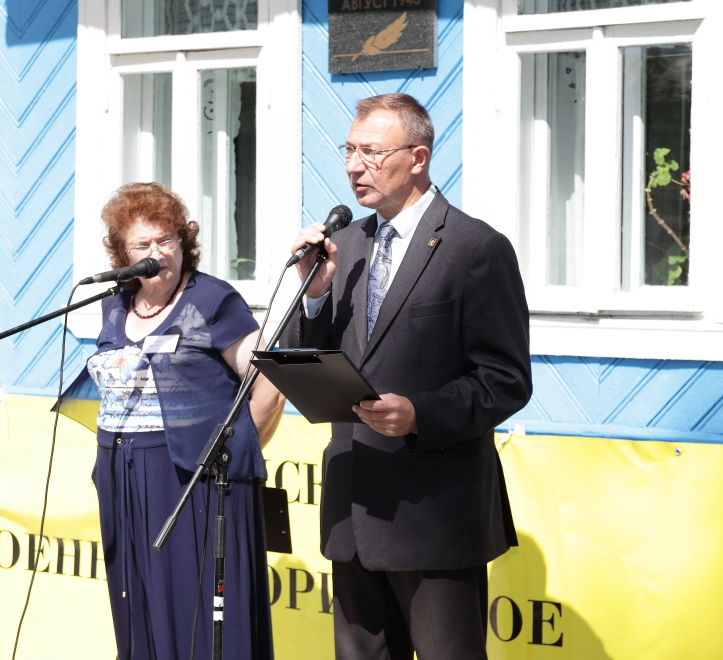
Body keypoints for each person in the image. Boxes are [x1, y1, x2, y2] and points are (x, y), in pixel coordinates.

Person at [283, 94, 532, 660]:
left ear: (417, 157)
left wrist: (421, 413)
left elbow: (506, 380)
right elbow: (311, 359)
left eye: (371, 152)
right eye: (349, 150)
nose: (353, 166)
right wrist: (314, 295)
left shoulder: (476, 248)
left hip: (434, 517)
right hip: (352, 510)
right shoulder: (343, 245)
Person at [81, 182, 283, 659]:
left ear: (183, 242)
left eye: (167, 239)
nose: (158, 253)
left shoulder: (210, 300)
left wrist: (224, 462)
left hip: (190, 482)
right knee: (139, 608)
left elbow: (269, 388)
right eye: (143, 245)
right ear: (123, 254)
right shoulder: (114, 304)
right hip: (123, 479)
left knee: (194, 614)